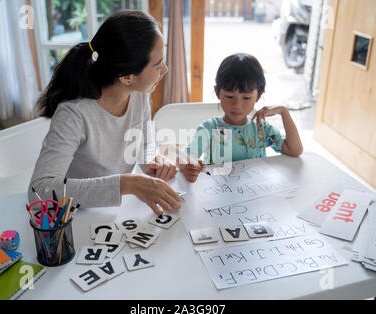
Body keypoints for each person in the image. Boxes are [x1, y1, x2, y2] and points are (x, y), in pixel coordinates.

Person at [28, 10, 181, 215]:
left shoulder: (138, 94)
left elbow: (145, 143)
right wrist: (128, 184)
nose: (165, 69)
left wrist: (152, 161)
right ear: (127, 77)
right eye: (157, 64)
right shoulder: (74, 115)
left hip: (113, 214)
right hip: (75, 216)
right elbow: (39, 192)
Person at [178, 53, 303, 182]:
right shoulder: (210, 128)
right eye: (229, 96)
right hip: (218, 195)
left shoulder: (261, 129)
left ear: (258, 96)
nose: (237, 105)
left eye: (246, 98)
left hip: (255, 193)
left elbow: (295, 150)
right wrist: (188, 167)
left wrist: (283, 112)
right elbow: (183, 157)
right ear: (217, 92)